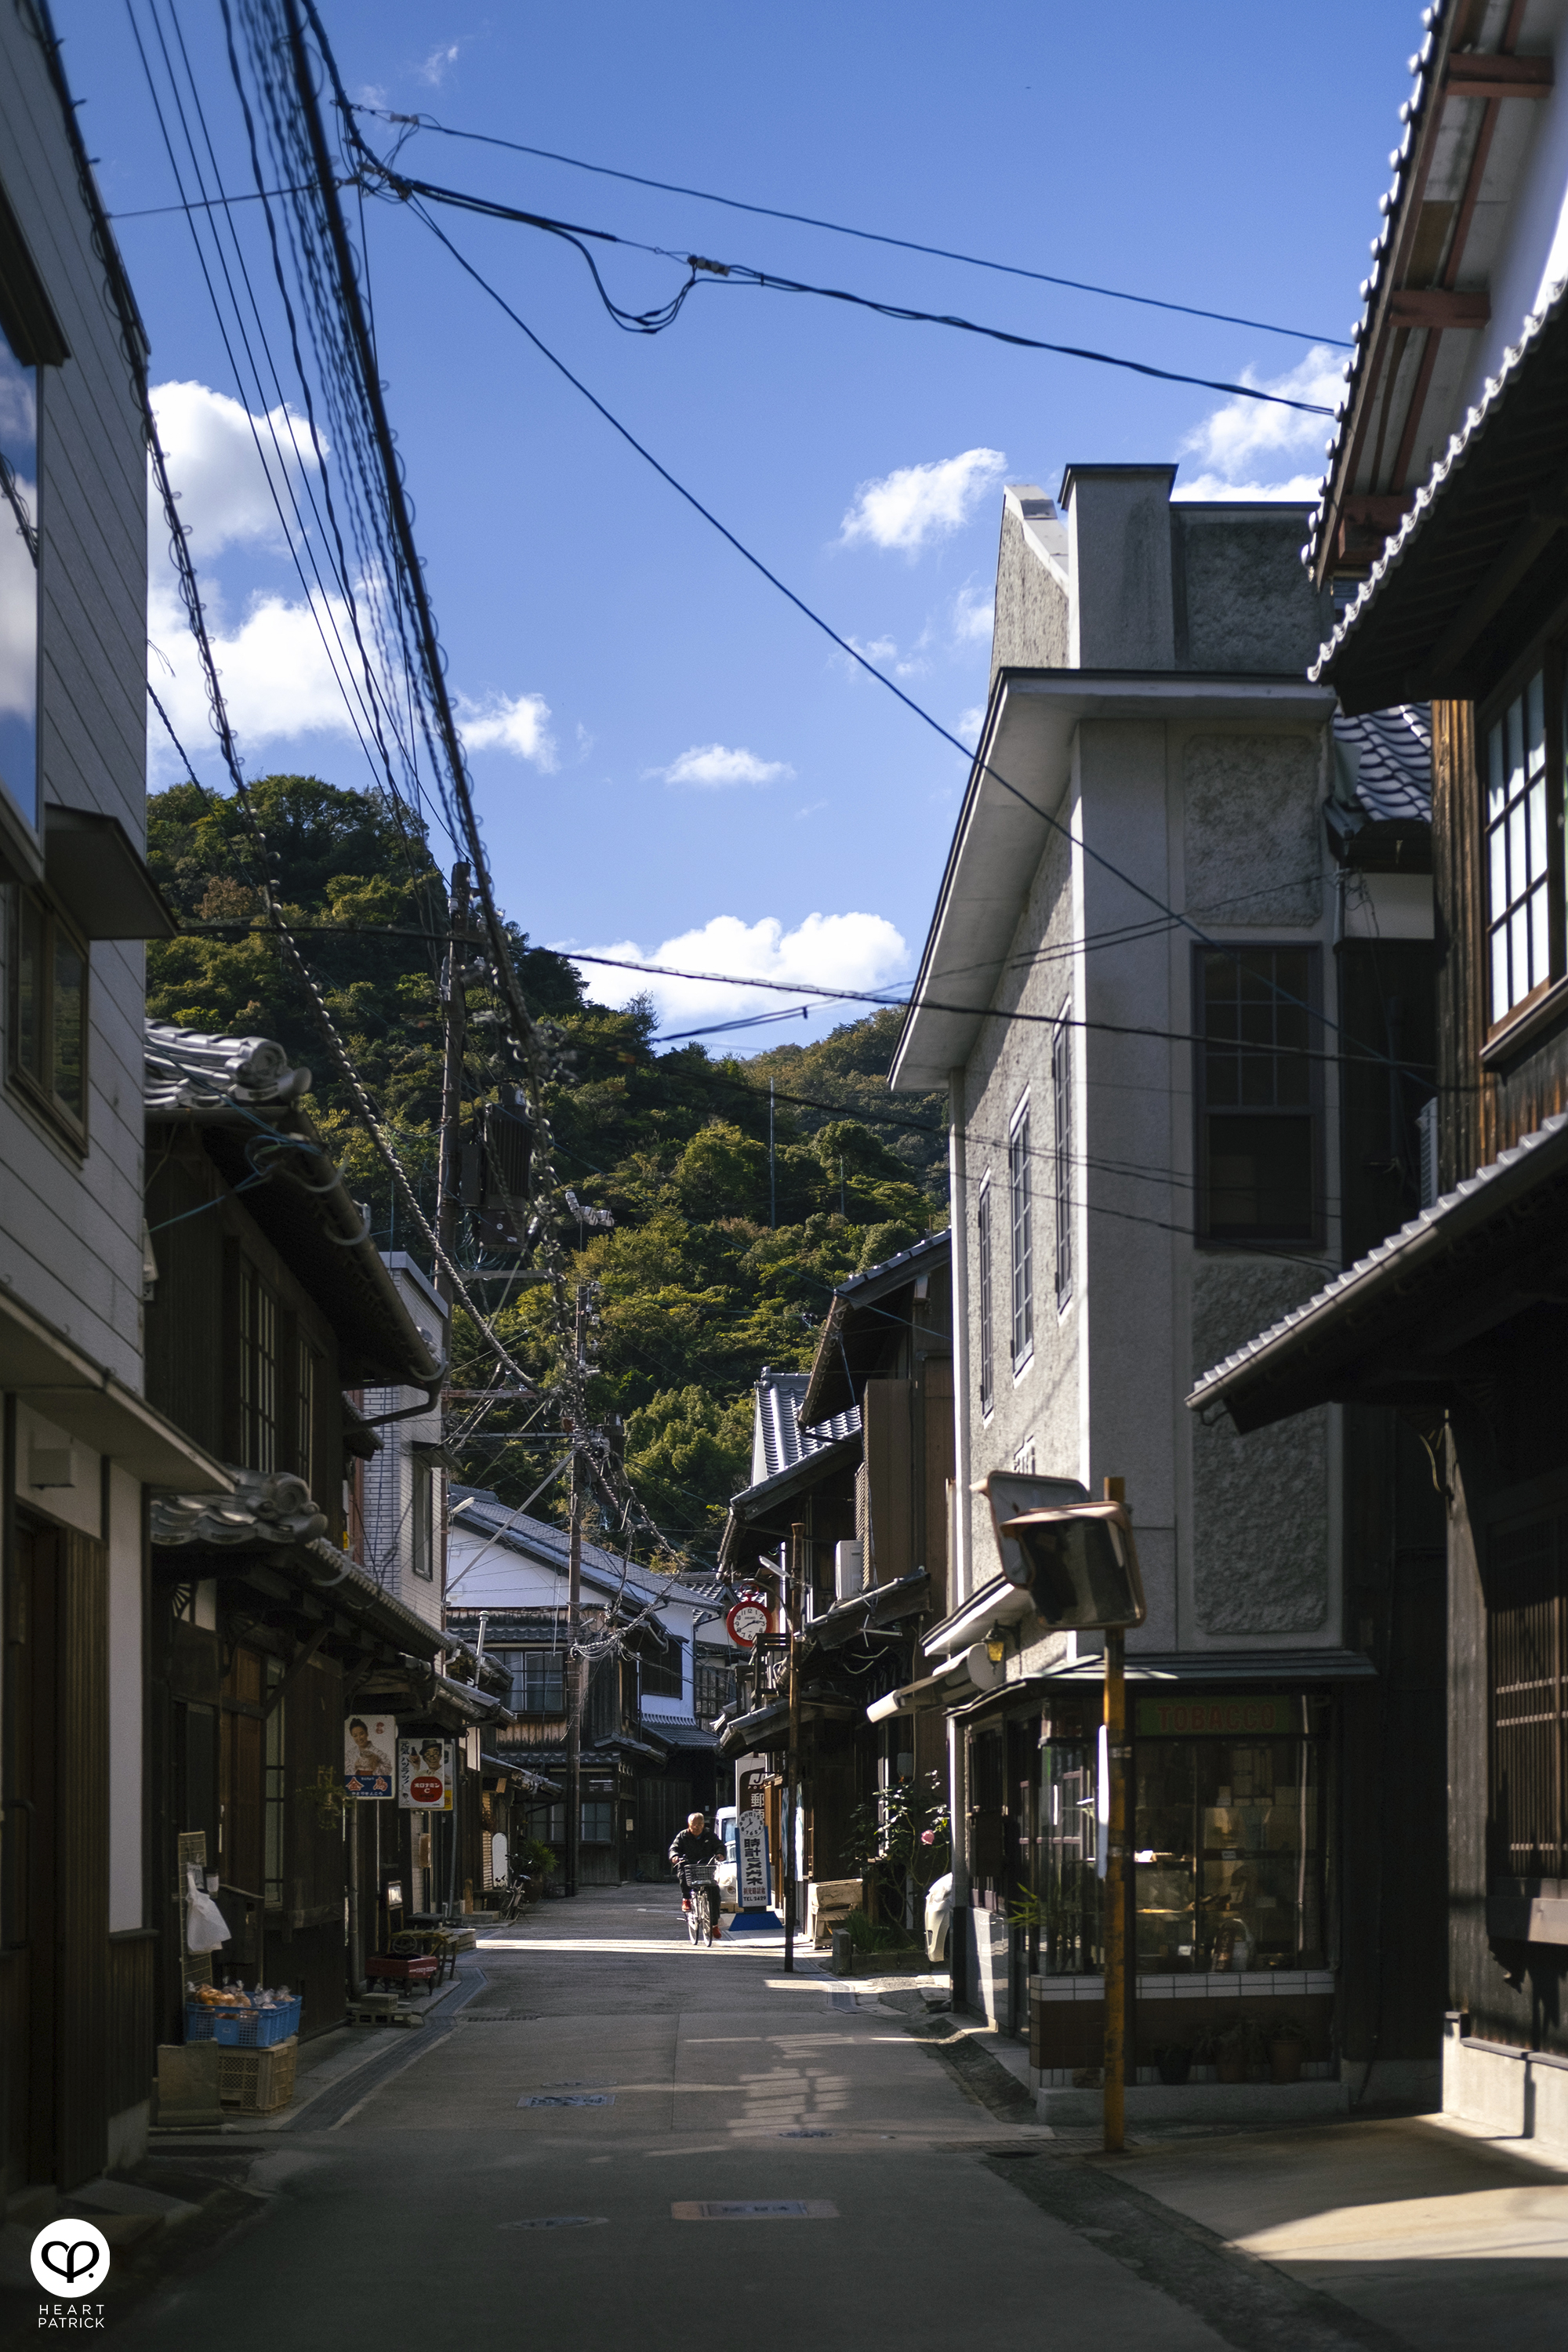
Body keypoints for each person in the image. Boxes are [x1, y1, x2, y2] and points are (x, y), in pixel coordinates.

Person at [669, 1811, 726, 1939]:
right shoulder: (683, 1836)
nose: (697, 1826)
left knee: (715, 1893)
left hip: (706, 1867)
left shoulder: (709, 1835)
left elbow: (719, 1845)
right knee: (683, 1873)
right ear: (689, 1824)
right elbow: (674, 1848)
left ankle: (714, 1924)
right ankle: (686, 1899)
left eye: (700, 1824)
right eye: (694, 1824)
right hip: (689, 1866)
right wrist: (675, 1857)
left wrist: (720, 1854)